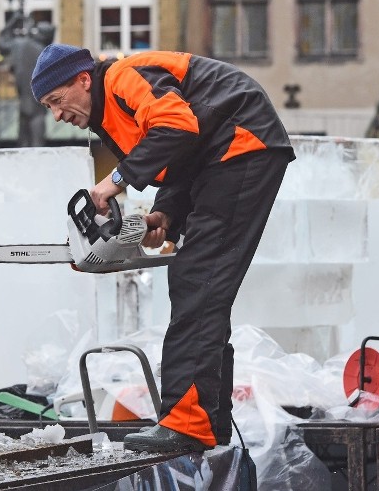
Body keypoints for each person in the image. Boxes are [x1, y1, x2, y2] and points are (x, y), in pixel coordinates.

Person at [30, 44, 295, 453]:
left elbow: (177, 126)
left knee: (198, 280)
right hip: (221, 155)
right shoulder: (110, 116)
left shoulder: (122, 77)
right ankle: (208, 422)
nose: (58, 115)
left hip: (240, 144)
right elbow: (180, 157)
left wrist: (113, 181)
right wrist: (165, 215)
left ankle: (188, 425)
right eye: (48, 106)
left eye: (57, 101)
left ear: (83, 79)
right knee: (203, 285)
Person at [0, 13, 56, 147]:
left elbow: (1, 42)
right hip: (38, 103)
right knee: (36, 142)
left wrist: (13, 21)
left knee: (24, 142)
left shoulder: (22, 45)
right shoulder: (46, 52)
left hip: (26, 100)